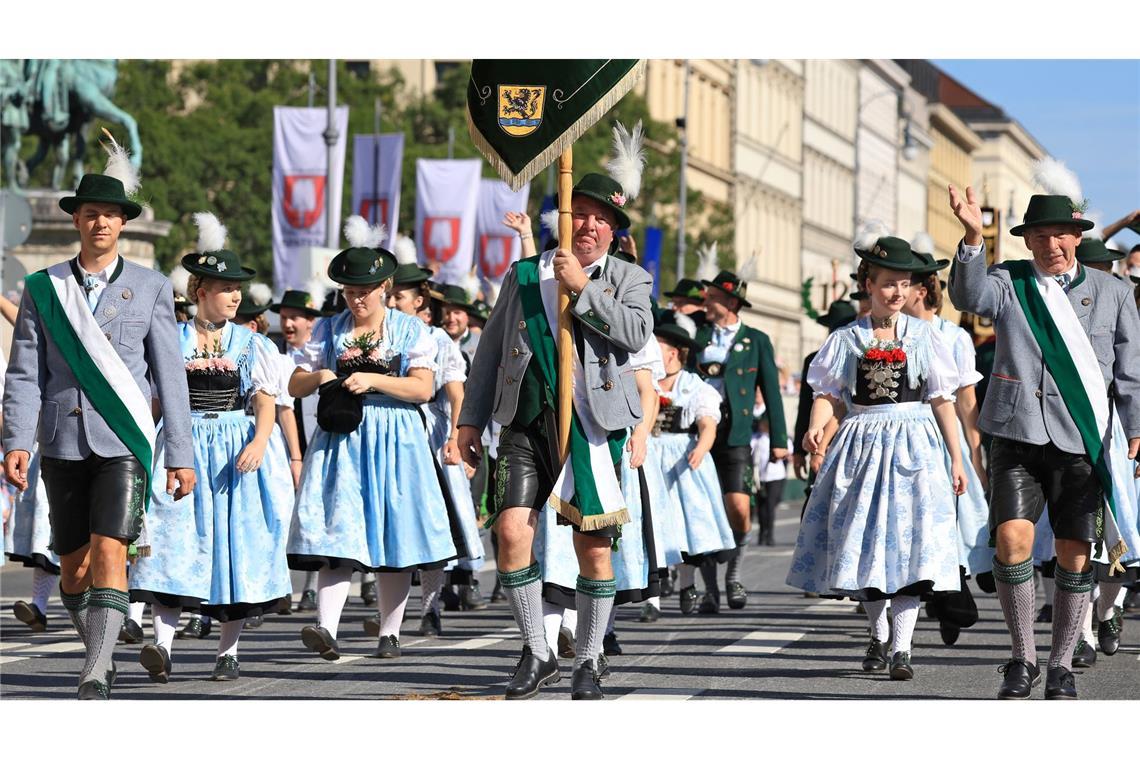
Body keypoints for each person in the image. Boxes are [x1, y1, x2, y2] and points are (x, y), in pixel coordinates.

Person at [457, 158, 653, 699]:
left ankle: (588, 658)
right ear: (562, 220)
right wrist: (470, 418)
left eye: (599, 219)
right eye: (579, 215)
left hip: (594, 427)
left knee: (592, 549)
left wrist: (582, 290)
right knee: (512, 530)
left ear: (613, 231)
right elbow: (491, 350)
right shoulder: (525, 274)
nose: (587, 226)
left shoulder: (630, 278)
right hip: (525, 420)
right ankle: (537, 651)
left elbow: (635, 335)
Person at [946, 171, 1140, 699]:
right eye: (1041, 236)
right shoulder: (1010, 282)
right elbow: (968, 295)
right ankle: (1022, 657)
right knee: (1013, 541)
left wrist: (1137, 426)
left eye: (1062, 235)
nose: (1052, 245)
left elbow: (1130, 369)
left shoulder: (1113, 292)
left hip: (1083, 436)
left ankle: (1060, 665)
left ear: (1078, 237)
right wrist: (969, 239)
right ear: (1027, 240)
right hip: (1016, 431)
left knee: (1076, 553)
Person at [2, 170, 195, 699]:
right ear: (77, 219)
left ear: (122, 223)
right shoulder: (44, 289)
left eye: (110, 214)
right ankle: (99, 650)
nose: (100, 221)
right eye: (90, 213)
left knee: (111, 550)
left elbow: (169, 377)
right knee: (73, 567)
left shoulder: (152, 287)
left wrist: (180, 453)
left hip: (122, 441)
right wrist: (16, 443)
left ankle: (97, 668)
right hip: (62, 440)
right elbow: (24, 375)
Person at [786, 233, 967, 681]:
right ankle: (878, 630)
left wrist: (957, 459)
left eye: (905, 284)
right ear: (869, 284)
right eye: (889, 283)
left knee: (912, 546)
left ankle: (902, 647)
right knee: (864, 543)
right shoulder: (846, 339)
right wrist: (815, 424)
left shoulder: (925, 336)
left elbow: (942, 400)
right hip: (863, 443)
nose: (898, 293)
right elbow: (828, 392)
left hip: (914, 443)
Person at [129, 214, 293, 683]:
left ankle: (228, 651)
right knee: (171, 539)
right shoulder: (172, 339)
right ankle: (161, 644)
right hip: (182, 445)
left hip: (235, 448)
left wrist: (261, 441)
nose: (236, 295)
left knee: (234, 544)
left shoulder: (252, 343)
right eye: (226, 287)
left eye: (239, 287)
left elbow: (265, 401)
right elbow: (157, 401)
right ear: (201, 290)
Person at [287, 218, 456, 660]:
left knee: (392, 532)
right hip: (342, 438)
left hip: (395, 438)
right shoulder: (328, 329)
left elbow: (422, 388)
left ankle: (389, 631)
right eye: (347, 290)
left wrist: (373, 380)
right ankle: (325, 627)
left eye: (363, 290)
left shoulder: (409, 330)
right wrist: (321, 375)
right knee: (335, 530)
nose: (355, 298)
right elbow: (294, 384)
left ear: (384, 286)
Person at [385, 253, 484, 639]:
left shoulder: (437, 339)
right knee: (391, 522)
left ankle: (430, 608)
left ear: (420, 302)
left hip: (428, 436)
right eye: (390, 297)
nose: (392, 303)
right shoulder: (383, 334)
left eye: (400, 298)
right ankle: (388, 615)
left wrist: (454, 437)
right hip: (391, 436)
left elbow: (457, 395)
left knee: (431, 525)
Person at [902, 252, 994, 646]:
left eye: (903, 284)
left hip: (943, 435)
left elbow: (966, 398)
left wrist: (974, 451)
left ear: (921, 291)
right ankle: (925, 592)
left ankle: (952, 589)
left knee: (952, 516)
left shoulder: (954, 337)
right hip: (901, 437)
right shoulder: (885, 333)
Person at [691, 269, 788, 612]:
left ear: (731, 303)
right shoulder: (697, 334)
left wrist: (779, 439)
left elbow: (773, 392)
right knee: (700, 512)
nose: (707, 301)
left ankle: (733, 573)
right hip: (697, 434)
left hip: (735, 434)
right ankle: (710, 589)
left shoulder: (756, 340)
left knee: (739, 508)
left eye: (713, 297)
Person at [271, 288, 324, 612]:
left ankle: (313, 586)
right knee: (282, 515)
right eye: (285, 317)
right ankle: (280, 585)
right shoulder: (275, 354)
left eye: (295, 317)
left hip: (316, 441)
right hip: (284, 445)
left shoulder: (319, 353)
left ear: (310, 322)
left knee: (314, 513)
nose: (288, 323)